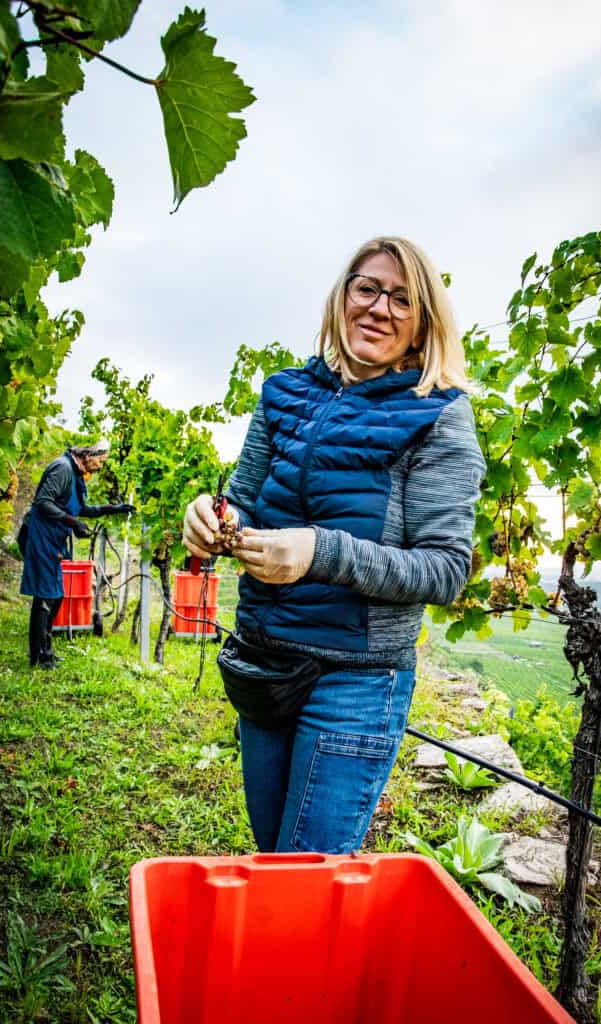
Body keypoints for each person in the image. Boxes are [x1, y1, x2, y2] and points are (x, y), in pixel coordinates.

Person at [183, 236, 486, 854]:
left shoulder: (438, 414)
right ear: (343, 295)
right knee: (275, 856)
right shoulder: (285, 393)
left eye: (403, 299)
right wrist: (213, 519)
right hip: (264, 661)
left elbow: (445, 570)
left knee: (305, 875)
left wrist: (322, 552)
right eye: (368, 288)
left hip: (356, 681)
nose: (380, 307)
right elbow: (242, 496)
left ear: (423, 323)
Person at [19, 439, 134, 669]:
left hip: (53, 538)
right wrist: (72, 523)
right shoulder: (63, 468)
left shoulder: (76, 474)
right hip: (39, 534)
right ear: (89, 455)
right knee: (45, 596)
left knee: (56, 595)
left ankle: (46, 649)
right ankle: (39, 656)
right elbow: (43, 502)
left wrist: (112, 509)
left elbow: (80, 509)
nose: (101, 465)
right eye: (100, 460)